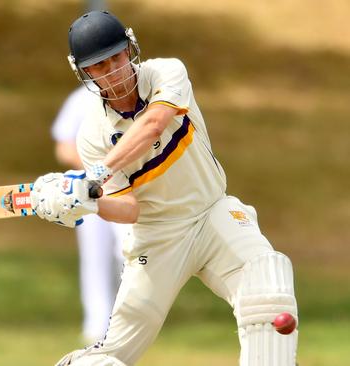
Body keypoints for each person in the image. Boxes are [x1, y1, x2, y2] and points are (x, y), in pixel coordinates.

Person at [30, 11, 299, 366]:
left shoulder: (166, 72)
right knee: (106, 358)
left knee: (268, 289)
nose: (112, 70)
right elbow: (129, 209)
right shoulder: (91, 134)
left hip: (213, 212)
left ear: (130, 50)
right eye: (99, 65)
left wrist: (95, 175)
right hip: (157, 238)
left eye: (116, 57)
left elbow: (155, 124)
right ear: (84, 72)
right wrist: (88, 202)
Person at [52, 86, 127, 343]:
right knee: (95, 257)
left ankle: (129, 319)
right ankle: (97, 324)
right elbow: (63, 146)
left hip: (128, 190)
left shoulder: (137, 95)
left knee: (128, 252)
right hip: (87, 190)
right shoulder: (81, 99)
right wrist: (98, 171)